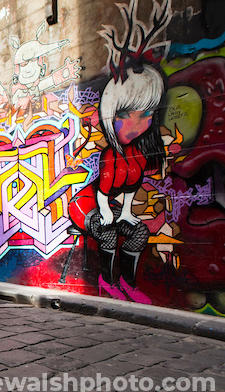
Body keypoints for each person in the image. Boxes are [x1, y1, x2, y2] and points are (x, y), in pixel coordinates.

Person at [69, 65, 166, 305]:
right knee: (108, 230)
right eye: (125, 114)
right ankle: (107, 283)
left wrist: (125, 213)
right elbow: (102, 191)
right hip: (85, 204)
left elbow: (132, 188)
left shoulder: (139, 154)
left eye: (146, 114)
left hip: (110, 204)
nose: (137, 123)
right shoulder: (110, 155)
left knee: (139, 231)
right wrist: (106, 212)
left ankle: (127, 284)